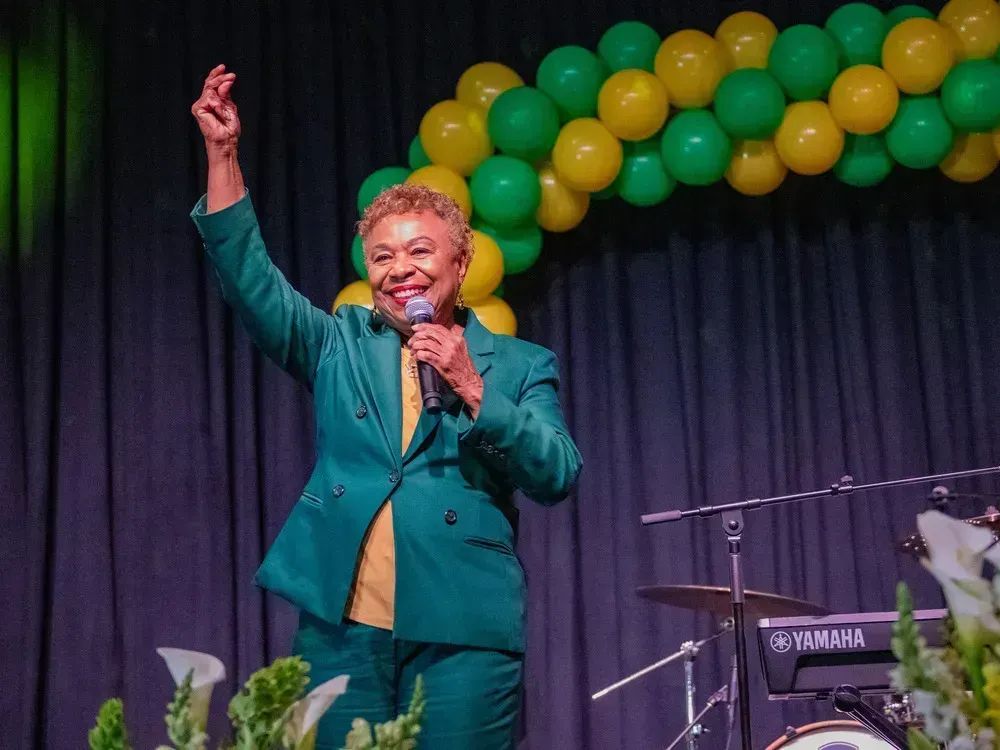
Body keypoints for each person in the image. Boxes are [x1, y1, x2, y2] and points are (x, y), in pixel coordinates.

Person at [189, 64, 582, 749]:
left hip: (464, 631)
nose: (399, 269)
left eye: (419, 251)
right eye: (381, 258)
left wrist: (472, 387)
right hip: (342, 629)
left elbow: (557, 473)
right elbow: (251, 282)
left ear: (460, 264)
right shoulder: (338, 344)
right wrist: (223, 156)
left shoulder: (519, 365)